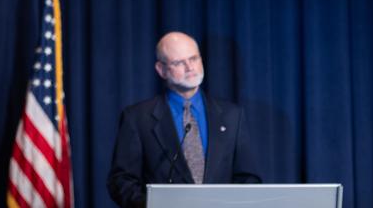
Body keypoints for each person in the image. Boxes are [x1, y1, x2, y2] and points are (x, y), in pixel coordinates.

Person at [106, 31, 261, 208]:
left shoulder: (232, 116)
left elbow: (248, 179)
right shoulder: (137, 118)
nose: (190, 67)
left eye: (194, 58)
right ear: (161, 70)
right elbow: (121, 181)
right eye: (179, 62)